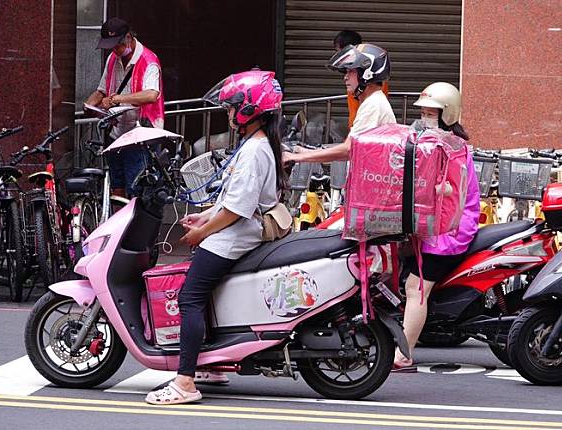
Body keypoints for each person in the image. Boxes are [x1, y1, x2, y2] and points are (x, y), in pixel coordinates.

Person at [145, 70, 285, 405]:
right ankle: (212, 362)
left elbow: (238, 210)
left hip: (236, 234)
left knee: (189, 298)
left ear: (249, 110)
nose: (227, 114)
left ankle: (184, 383)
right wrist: (205, 216)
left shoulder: (254, 151)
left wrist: (201, 233)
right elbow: (232, 200)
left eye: (230, 108)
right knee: (205, 294)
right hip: (235, 228)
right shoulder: (254, 144)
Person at [392, 82, 480, 370]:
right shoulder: (434, 143)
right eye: (424, 112)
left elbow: (448, 193)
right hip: (433, 227)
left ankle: (404, 355)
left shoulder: (452, 149)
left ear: (448, 114)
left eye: (432, 113)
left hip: (449, 231)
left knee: (416, 287)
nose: (426, 118)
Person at [85, 17, 164, 197]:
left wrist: (117, 99)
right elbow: (101, 91)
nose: (115, 50)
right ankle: (118, 223)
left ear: (128, 38)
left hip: (141, 136)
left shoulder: (148, 60)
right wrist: (90, 104)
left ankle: (134, 225)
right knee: (117, 187)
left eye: (117, 45)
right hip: (117, 133)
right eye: (111, 46)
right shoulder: (113, 58)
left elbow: (152, 94)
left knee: (137, 189)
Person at [284, 43, 395, 165]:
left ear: (367, 73)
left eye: (351, 71)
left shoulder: (373, 105)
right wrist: (306, 152)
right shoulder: (374, 101)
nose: (345, 77)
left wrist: (297, 157)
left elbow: (348, 149)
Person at [333, 31, 389, 130]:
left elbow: (357, 113)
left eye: (339, 51)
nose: (346, 77)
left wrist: (351, 136)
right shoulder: (361, 85)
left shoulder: (372, 99)